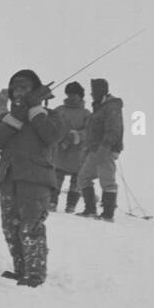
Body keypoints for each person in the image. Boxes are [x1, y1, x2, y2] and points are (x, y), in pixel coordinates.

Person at [0, 70, 60, 287]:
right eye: (15, 88)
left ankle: (35, 274)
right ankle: (21, 269)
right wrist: (18, 115)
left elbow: (52, 136)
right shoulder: (7, 118)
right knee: (11, 228)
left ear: (35, 90)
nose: (18, 92)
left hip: (36, 179)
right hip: (9, 179)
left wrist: (35, 109)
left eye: (24, 87)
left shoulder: (50, 116)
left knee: (31, 227)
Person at [76, 77, 123, 220]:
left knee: (107, 181)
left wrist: (106, 147)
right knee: (83, 178)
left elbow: (114, 130)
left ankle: (108, 214)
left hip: (105, 149)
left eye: (94, 91)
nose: (92, 94)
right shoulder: (100, 107)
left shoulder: (111, 107)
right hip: (94, 149)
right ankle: (90, 210)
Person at [50, 81, 91, 213]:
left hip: (77, 152)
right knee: (56, 178)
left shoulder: (86, 113)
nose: (71, 97)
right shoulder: (59, 110)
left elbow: (90, 131)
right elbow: (51, 126)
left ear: (80, 96)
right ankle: (52, 202)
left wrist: (77, 135)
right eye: (69, 94)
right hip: (60, 150)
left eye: (75, 94)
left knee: (76, 180)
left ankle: (71, 205)